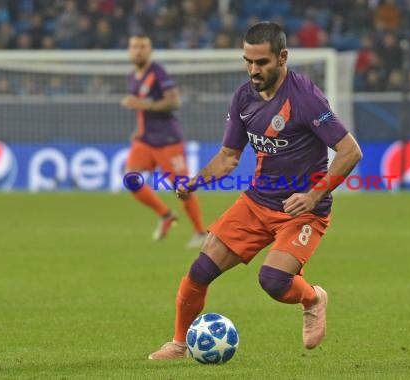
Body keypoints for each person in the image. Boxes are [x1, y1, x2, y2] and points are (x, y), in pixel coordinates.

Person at [148, 22, 362, 360]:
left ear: (282, 57)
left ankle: (313, 298)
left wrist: (314, 196)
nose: (253, 70)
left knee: (274, 281)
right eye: (247, 61)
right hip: (257, 202)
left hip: (302, 210)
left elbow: (350, 151)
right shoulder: (244, 97)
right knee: (199, 272)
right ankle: (178, 345)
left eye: (261, 62)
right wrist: (196, 181)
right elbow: (229, 157)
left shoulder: (304, 97)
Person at [121, 34, 206, 248]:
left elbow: (174, 102)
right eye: (134, 47)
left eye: (142, 47)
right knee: (130, 179)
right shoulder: (133, 76)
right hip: (145, 140)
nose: (138, 51)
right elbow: (142, 110)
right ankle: (166, 214)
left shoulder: (158, 73)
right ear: (130, 51)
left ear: (150, 50)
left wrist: (142, 103)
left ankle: (200, 233)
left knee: (182, 189)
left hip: (168, 140)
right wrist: (138, 129)